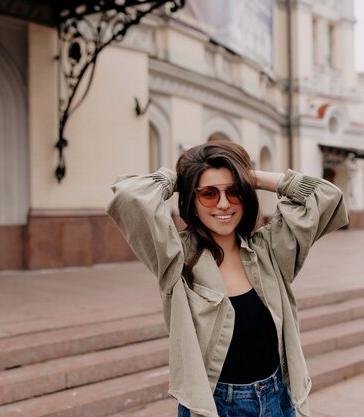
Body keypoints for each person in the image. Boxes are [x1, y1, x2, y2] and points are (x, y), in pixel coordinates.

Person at [107, 142, 347, 417]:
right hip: (215, 406)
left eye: (233, 192)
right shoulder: (177, 257)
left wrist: (250, 177)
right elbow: (129, 196)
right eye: (208, 194)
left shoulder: (270, 250)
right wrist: (184, 178)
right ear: (192, 201)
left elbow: (327, 195)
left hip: (277, 398)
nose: (223, 203)